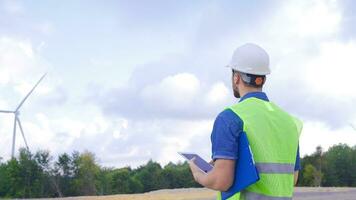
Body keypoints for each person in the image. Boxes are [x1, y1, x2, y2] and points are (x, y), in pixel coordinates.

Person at [188, 43, 302, 200]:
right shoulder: (289, 122)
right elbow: (292, 179)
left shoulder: (230, 117)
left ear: (236, 78)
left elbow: (222, 181)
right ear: (262, 79)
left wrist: (197, 174)